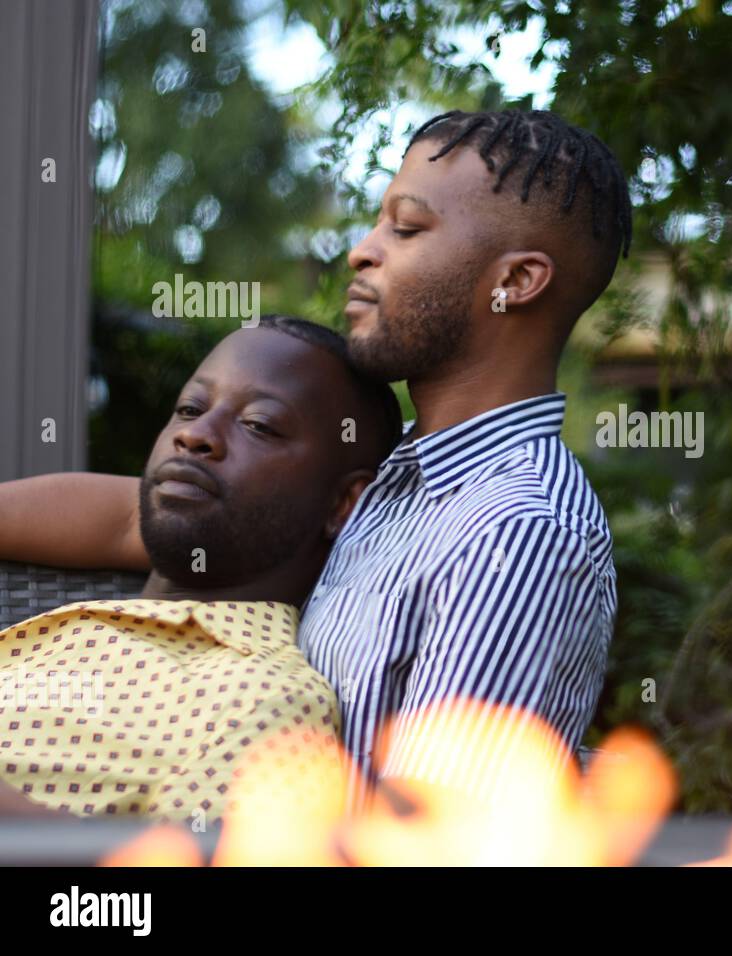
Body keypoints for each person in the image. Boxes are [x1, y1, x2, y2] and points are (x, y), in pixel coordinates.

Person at [0, 109, 631, 808]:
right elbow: (135, 518)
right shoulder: (402, 478)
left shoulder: (518, 533)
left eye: (407, 228)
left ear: (515, 282)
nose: (362, 251)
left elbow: (430, 845)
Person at [0, 317, 401, 820]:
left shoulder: (266, 705)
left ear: (344, 505)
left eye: (258, 425)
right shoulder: (76, 629)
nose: (194, 434)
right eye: (189, 408)